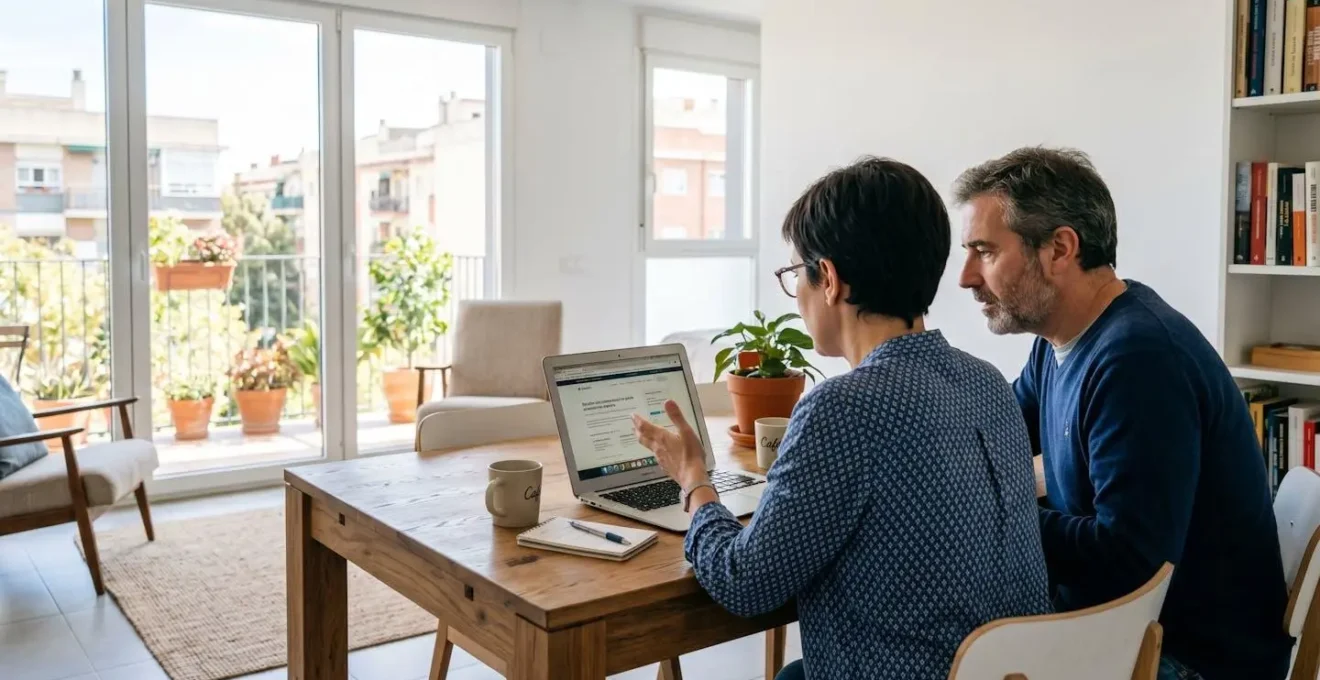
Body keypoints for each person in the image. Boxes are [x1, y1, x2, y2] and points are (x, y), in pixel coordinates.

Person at [631, 157, 1051, 679]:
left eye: (794, 275)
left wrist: (695, 481)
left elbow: (744, 584)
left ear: (828, 278)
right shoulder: (987, 383)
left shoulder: (844, 406)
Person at [953, 146, 1293, 680]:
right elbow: (997, 434)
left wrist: (995, 516)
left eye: (985, 252)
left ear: (1060, 248)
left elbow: (1130, 561)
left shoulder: (1139, 360)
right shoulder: (1059, 341)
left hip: (1189, 660)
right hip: (1130, 630)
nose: (966, 277)